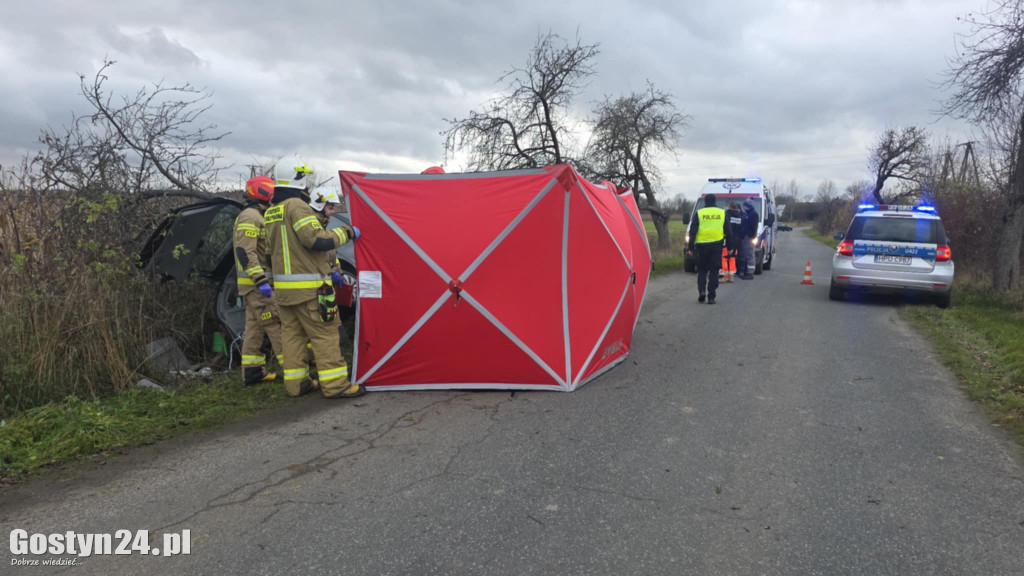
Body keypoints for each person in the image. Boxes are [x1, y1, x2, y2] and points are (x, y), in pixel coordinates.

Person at [263, 155, 363, 399]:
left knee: (293, 339)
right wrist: (348, 232)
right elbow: (316, 239)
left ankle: (297, 385)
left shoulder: (272, 212)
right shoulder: (296, 206)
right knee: (325, 336)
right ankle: (336, 385)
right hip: (310, 291)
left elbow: (268, 254)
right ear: (299, 178)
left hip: (285, 294)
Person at [234, 176, 284, 385]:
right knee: (276, 324)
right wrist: (260, 280)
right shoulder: (250, 217)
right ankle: (295, 371)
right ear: (264, 192)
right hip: (257, 287)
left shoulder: (257, 215)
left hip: (253, 287)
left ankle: (252, 373)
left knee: (254, 330)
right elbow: (245, 252)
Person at [687, 193, 726, 304]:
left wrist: (690, 247)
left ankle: (702, 292)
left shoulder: (699, 213)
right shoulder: (722, 213)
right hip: (716, 246)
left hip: (702, 247)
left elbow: (692, 232)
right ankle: (711, 296)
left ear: (705, 202)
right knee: (714, 271)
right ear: (715, 202)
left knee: (702, 271)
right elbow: (728, 230)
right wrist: (731, 246)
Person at [739, 199, 758, 280]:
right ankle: (747, 271)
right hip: (745, 237)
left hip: (749, 238)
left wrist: (749, 236)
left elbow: (753, 227)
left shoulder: (753, 214)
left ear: (748, 206)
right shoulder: (747, 214)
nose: (743, 207)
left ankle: (750, 273)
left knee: (750, 255)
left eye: (744, 205)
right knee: (746, 255)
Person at [725, 201, 743, 282]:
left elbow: (726, 228)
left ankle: (725, 276)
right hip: (737, 239)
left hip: (728, 238)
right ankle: (731, 275)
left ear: (730, 207)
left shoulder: (727, 214)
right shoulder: (740, 216)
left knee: (725, 257)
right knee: (732, 257)